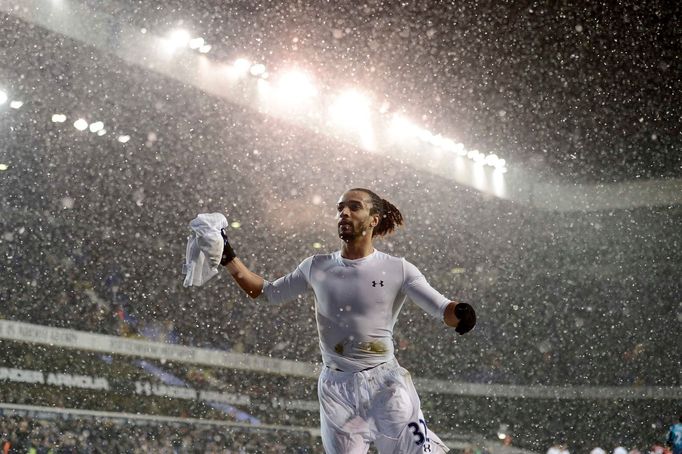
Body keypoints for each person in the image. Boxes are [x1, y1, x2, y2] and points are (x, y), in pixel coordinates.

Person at [219, 188, 476, 453]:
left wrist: (461, 313)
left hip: (386, 386)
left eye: (354, 207)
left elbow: (442, 307)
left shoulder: (398, 268)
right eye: (341, 207)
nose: (344, 212)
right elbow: (267, 293)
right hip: (336, 388)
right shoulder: (316, 266)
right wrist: (229, 258)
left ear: (373, 219)